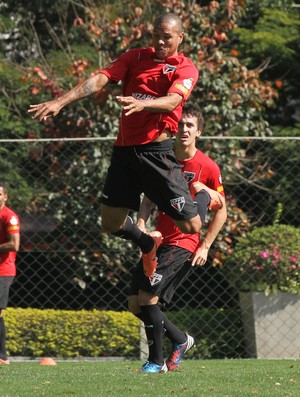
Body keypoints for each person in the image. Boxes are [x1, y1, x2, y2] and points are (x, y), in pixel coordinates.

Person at [28, 13, 222, 277]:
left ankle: (203, 194)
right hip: (125, 153)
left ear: (180, 38)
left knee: (192, 225)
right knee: (111, 223)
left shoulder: (185, 68)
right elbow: (101, 78)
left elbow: (173, 102)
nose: (160, 41)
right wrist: (60, 102)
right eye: (156, 35)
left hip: (157, 154)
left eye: (167, 37)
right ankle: (147, 242)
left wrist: (144, 104)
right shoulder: (135, 57)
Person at [128, 103, 227, 373]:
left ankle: (156, 361)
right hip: (157, 240)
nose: (184, 129)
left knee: (148, 297)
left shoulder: (207, 166)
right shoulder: (163, 159)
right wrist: (140, 224)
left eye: (190, 126)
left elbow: (222, 210)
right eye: (181, 124)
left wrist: (205, 245)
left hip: (183, 243)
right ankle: (181, 340)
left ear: (199, 132)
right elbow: (148, 198)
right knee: (135, 304)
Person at [0, 183, 20, 365]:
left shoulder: (9, 217)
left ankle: (2, 356)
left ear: (5, 197)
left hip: (3, 271)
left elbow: (14, 245)